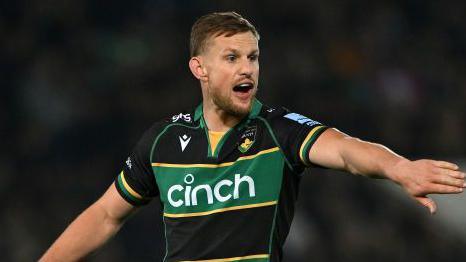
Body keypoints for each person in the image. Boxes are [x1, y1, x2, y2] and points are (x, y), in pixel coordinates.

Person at [40, 12, 465, 262]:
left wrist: (398, 167)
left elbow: (347, 151)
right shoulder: (162, 142)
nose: (247, 68)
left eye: (253, 57)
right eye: (231, 58)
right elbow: (105, 215)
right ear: (199, 69)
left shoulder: (277, 131)